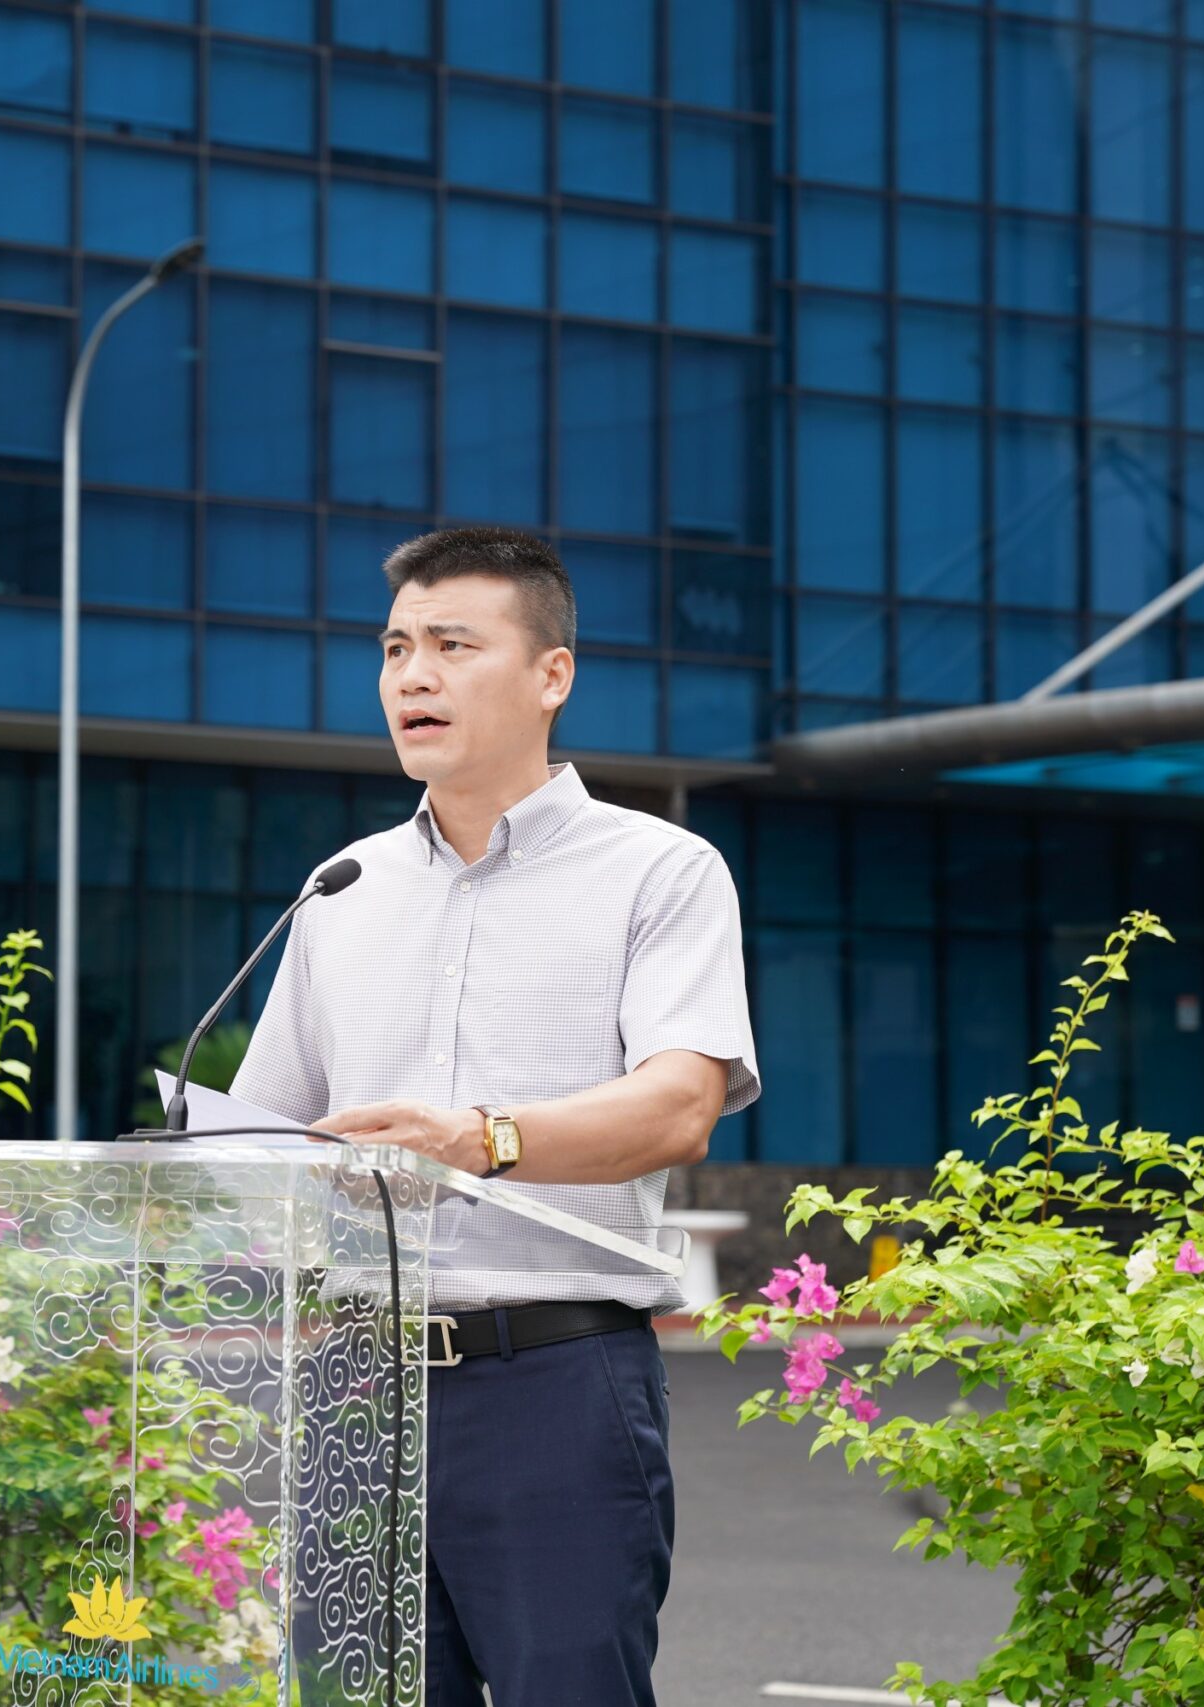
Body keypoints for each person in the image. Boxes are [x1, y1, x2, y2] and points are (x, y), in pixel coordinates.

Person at [228, 526, 760, 1707]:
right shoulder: (340, 890)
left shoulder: (660, 871)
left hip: (553, 1386)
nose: (412, 676)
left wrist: (479, 1140)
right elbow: (259, 1143)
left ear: (550, 675)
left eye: (453, 645)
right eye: (395, 648)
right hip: (356, 1387)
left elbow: (680, 1106)